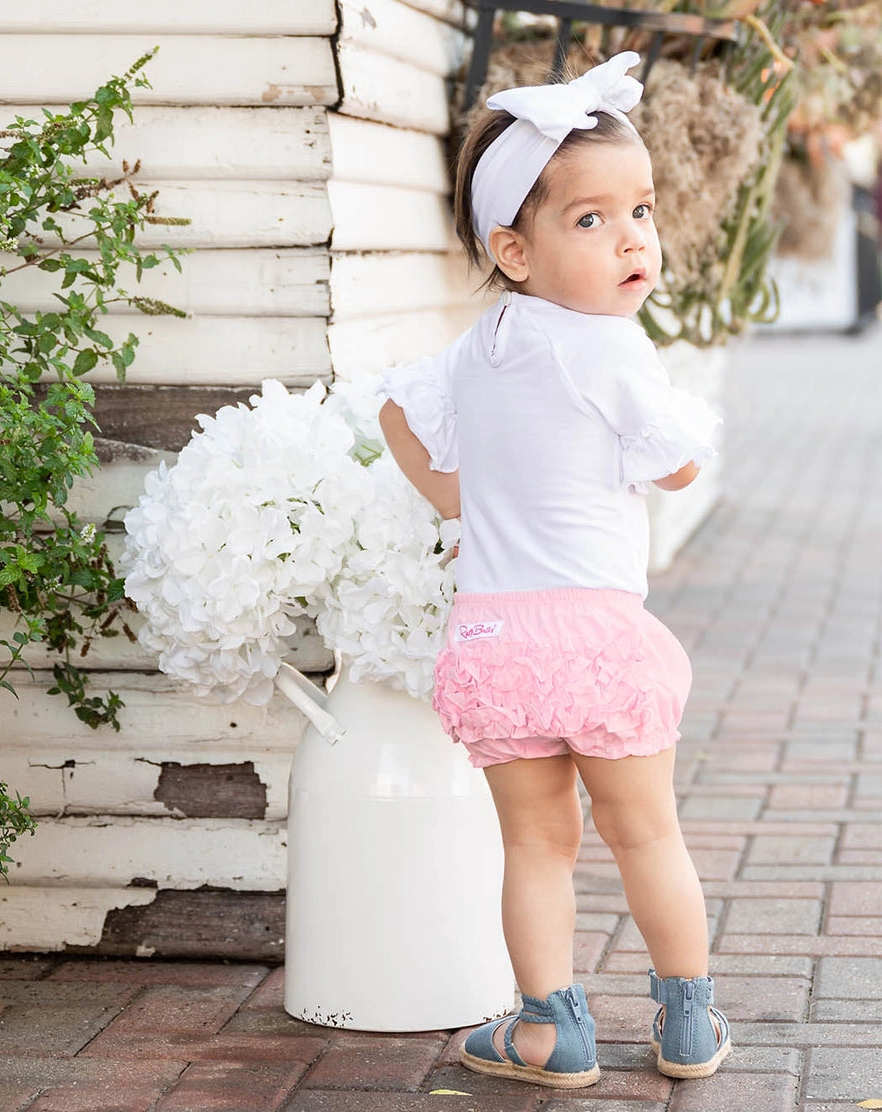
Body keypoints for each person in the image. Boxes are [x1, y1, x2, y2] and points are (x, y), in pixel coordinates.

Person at [377, 51, 731, 1089]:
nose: (632, 237)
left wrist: (460, 498)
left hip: (495, 640)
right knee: (645, 834)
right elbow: (677, 464)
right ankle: (687, 1025)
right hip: (597, 641)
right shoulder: (612, 348)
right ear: (514, 249)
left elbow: (397, 412)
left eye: (642, 211)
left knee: (536, 847)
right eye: (592, 218)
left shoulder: (480, 342)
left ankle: (549, 1031)